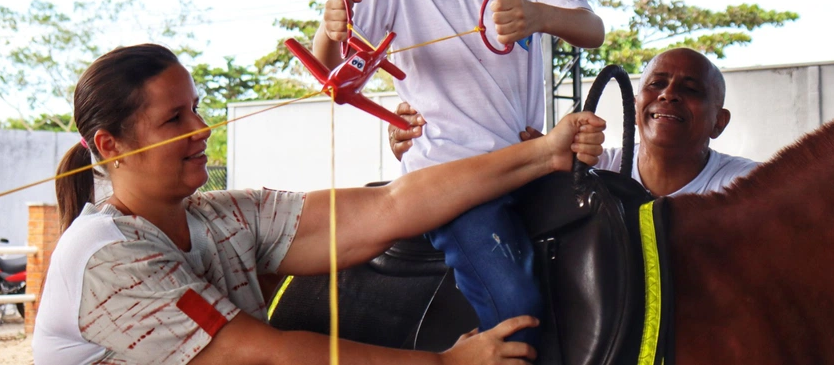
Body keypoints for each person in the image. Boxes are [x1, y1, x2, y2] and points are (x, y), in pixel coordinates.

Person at [32, 43, 607, 365]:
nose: (201, 129)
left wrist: (543, 156)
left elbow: (390, 207)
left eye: (196, 109)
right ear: (110, 146)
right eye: (174, 119)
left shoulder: (219, 217)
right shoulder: (108, 259)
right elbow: (264, 357)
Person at [312, 0, 605, 349]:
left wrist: (541, 15)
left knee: (616, 241)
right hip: (450, 182)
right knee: (517, 305)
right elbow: (331, 75)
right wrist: (331, 28)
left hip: (525, 164)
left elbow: (592, 29)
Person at [391, 48, 758, 198]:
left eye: (690, 88)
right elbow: (490, 168)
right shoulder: (590, 167)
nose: (668, 94)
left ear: (719, 122)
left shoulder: (747, 186)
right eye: (657, 84)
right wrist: (423, 141)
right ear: (635, 105)